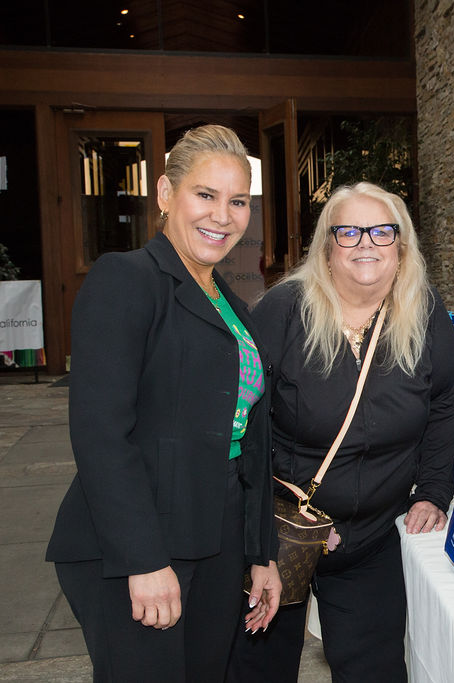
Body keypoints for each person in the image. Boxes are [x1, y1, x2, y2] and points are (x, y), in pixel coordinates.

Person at [45, 124, 282, 682]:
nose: (222, 215)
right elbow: (101, 433)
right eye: (206, 194)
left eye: (238, 201)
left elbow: (251, 444)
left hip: (218, 534)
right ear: (165, 193)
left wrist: (261, 552)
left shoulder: (232, 304)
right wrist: (143, 559)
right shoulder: (127, 279)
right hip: (140, 542)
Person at [227, 182, 454, 682]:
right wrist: (260, 533)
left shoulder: (423, 312)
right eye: (349, 232)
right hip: (281, 535)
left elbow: (445, 403)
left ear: (401, 246)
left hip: (371, 540)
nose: (365, 244)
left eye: (381, 232)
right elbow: (242, 426)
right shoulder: (283, 311)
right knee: (258, 670)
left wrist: (433, 489)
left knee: (374, 671)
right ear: (327, 247)